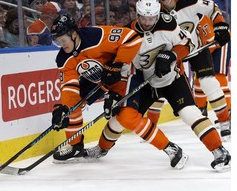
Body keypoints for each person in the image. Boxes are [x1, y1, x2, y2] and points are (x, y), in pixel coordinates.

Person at [86, 0, 231, 172]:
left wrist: (172, 56)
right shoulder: (127, 34)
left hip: (172, 79)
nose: (148, 22)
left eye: (152, 18)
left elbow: (188, 44)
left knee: (189, 114)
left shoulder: (168, 24)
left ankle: (219, 150)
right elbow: (122, 68)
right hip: (145, 81)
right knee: (121, 117)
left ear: (157, 14)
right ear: (137, 14)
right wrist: (114, 94)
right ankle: (102, 148)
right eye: (144, 18)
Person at [49, 13, 189, 170]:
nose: (61, 45)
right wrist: (65, 108)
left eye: (63, 40)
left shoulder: (96, 36)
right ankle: (75, 146)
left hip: (125, 74)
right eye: (58, 41)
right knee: (71, 107)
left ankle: (170, 148)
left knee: (127, 117)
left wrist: (117, 64)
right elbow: (70, 86)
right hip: (99, 78)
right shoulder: (63, 58)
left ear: (73, 33)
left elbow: (132, 38)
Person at [151, 0, 231, 141]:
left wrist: (220, 24)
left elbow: (212, 7)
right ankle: (151, 126)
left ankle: (225, 122)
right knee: (158, 84)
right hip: (173, 53)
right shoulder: (155, 9)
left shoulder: (188, 0)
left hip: (196, 47)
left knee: (209, 82)